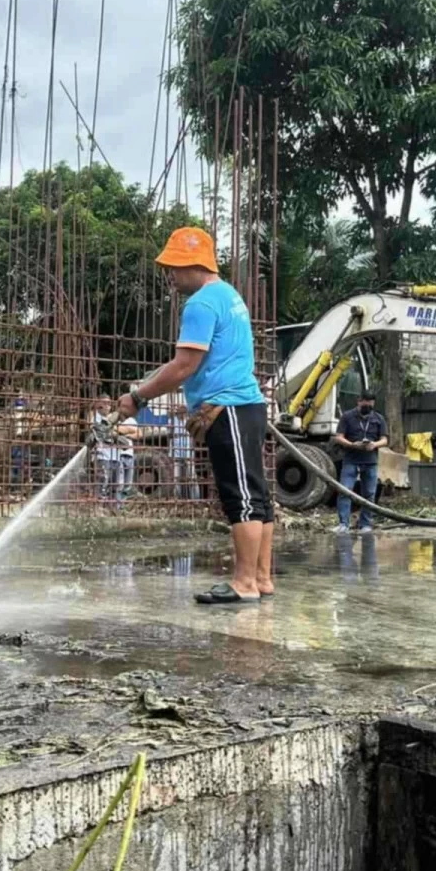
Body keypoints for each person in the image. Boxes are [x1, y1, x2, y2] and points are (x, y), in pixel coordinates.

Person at [116, 226, 273, 604]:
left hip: (227, 407)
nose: (170, 275)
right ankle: (262, 579)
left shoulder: (201, 303)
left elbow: (184, 366)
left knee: (242, 497)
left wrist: (138, 397)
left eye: (173, 266)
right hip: (246, 406)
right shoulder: (229, 295)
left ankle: (244, 583)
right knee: (258, 496)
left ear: (193, 264)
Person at [333, 390, 388, 534]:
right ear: (359, 401)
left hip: (370, 461)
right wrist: (352, 444)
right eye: (365, 403)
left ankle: (365, 524)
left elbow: (385, 440)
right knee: (345, 491)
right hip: (351, 459)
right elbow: (338, 437)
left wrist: (374, 445)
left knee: (369, 493)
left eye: (371, 403)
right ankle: (343, 524)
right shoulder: (347, 417)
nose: (368, 406)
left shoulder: (378, 418)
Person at [171, 403, 199, 500]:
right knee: (176, 479)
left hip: (188, 453)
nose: (182, 413)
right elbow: (169, 435)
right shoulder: (172, 421)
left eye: (183, 411)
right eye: (180, 411)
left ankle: (195, 499)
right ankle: (178, 499)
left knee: (192, 478)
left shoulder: (189, 420)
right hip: (177, 453)